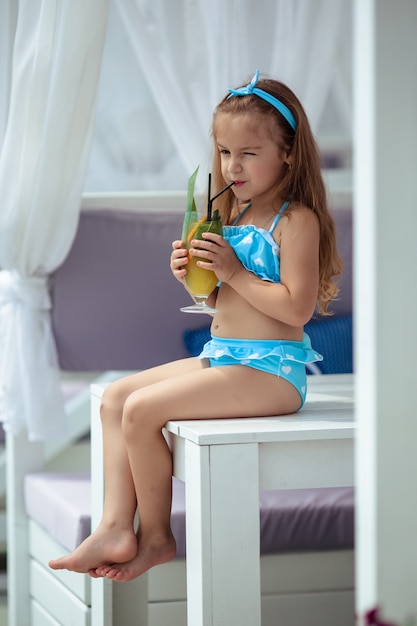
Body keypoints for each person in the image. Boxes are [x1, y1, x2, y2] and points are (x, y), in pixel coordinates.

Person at [49, 69, 342, 582]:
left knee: (142, 410)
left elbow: (296, 309)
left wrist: (232, 270)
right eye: (226, 152)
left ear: (289, 153)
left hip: (272, 373)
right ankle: (117, 525)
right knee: (116, 397)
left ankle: (158, 537)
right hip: (228, 356)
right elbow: (216, 299)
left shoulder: (296, 222)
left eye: (249, 153)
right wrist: (195, 277)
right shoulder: (232, 212)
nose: (233, 165)